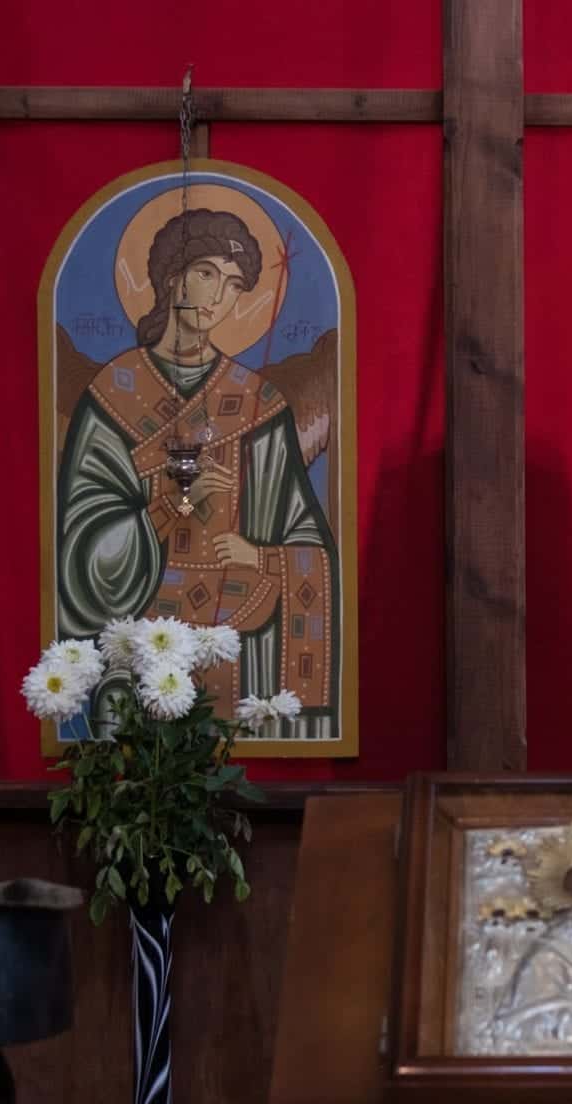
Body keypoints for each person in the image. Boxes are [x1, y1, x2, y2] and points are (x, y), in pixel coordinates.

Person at [55, 207, 338, 739]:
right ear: (171, 277)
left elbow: (309, 542)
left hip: (241, 642)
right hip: (142, 640)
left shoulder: (259, 403)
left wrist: (261, 555)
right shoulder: (113, 395)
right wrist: (169, 502)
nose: (216, 296)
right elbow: (82, 552)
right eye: (206, 273)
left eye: (233, 285)